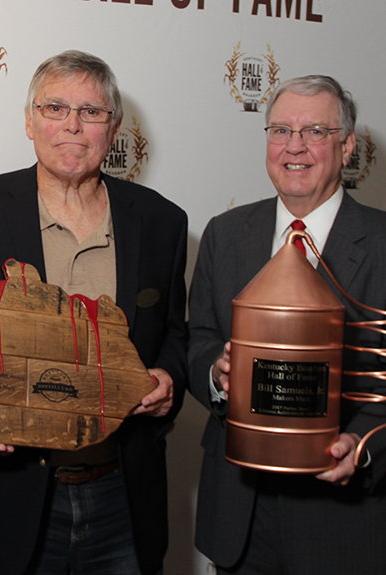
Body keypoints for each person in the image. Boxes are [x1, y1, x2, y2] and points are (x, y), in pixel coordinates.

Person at [0, 50, 188, 575]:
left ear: (114, 128)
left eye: (92, 112)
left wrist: (169, 376)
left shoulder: (161, 221)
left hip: (122, 498)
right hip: (1, 502)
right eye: (55, 108)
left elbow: (175, 334)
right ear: (28, 120)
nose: (73, 126)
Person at [188, 75, 386, 575]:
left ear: (346, 148)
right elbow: (199, 339)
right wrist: (216, 371)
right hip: (238, 516)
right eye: (280, 130)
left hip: (346, 525)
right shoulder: (225, 233)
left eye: (315, 131)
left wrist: (364, 447)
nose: (294, 146)